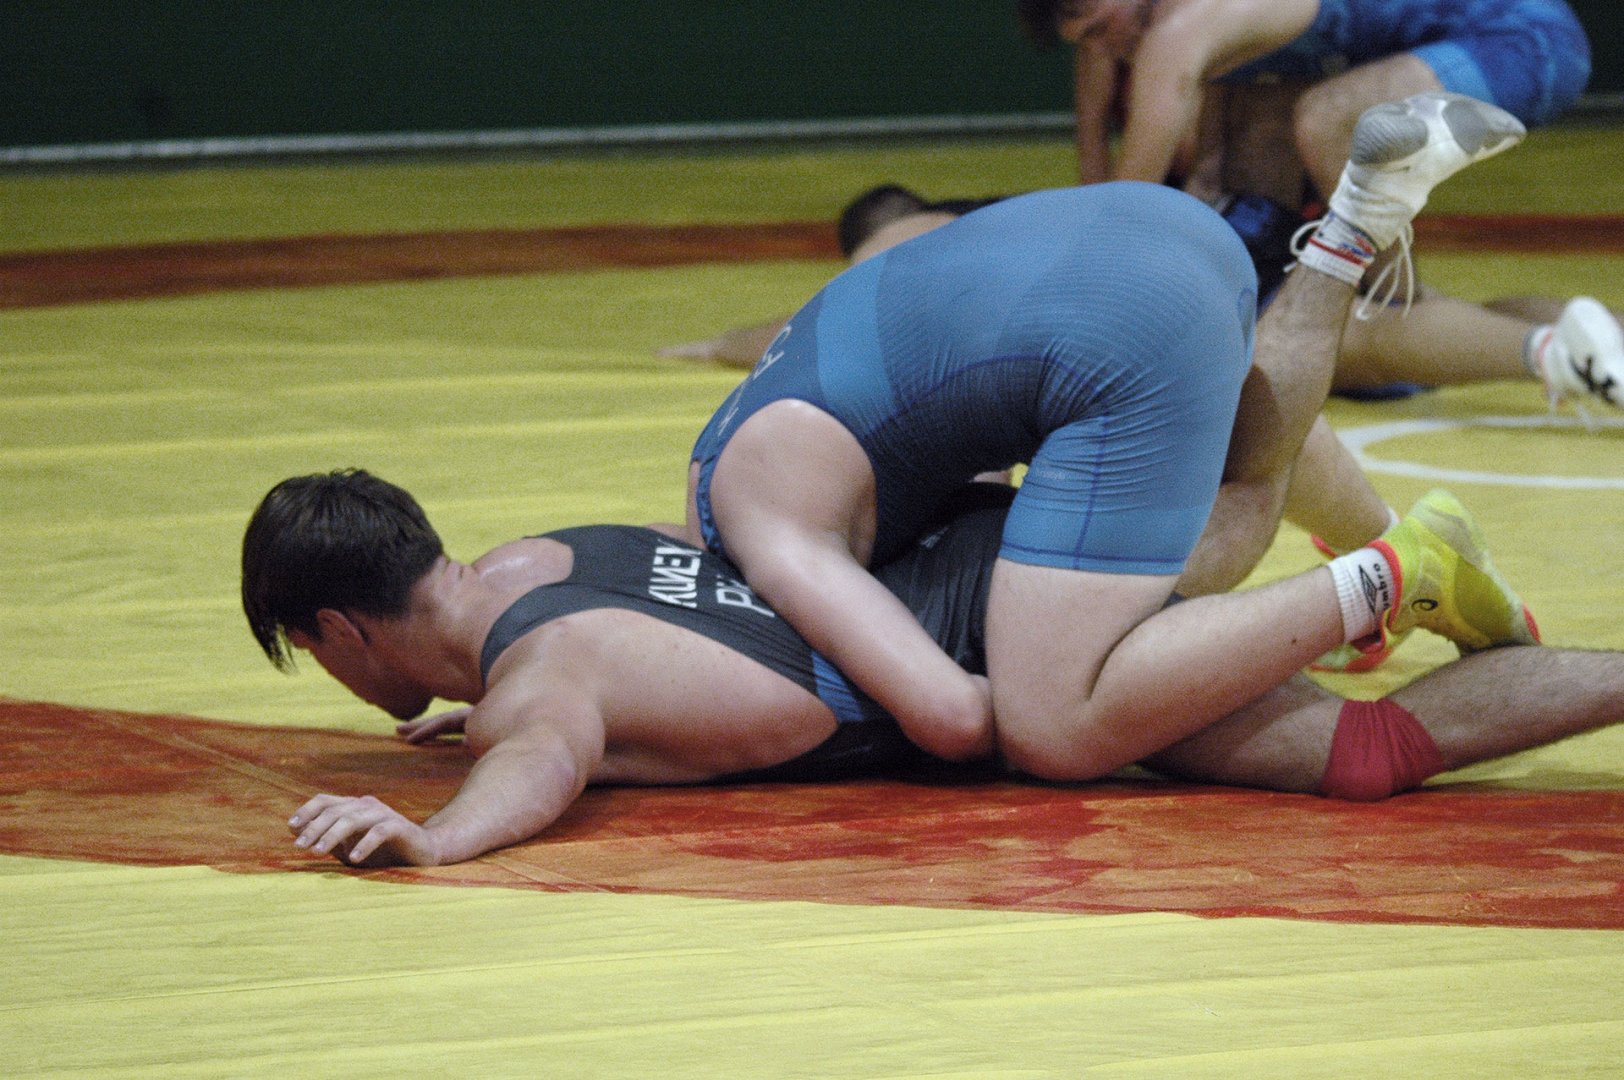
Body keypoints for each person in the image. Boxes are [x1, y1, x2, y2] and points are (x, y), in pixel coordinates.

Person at [682, 92, 1538, 785]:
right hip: (1160, 223)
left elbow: (955, 715)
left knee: (1062, 708)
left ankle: (1394, 572)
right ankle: (1353, 223)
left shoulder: (761, 527)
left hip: (1115, 325)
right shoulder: (778, 408)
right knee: (1181, 441)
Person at [245, 470, 1616, 868]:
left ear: (339, 629)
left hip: (1007, 647)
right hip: (974, 549)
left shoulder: (539, 692)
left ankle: (1383, 571)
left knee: (1357, 756)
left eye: (310, 656)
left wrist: (435, 837)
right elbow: (667, 632)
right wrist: (495, 717)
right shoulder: (542, 554)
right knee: (1227, 547)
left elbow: (545, 755)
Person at [663, 182, 1624, 414]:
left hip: (1169, 277)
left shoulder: (903, 238)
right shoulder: (990, 216)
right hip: (1206, 235)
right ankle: (1579, 335)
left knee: (1347, 342)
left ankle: (1556, 355)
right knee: (1400, 319)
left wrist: (721, 344)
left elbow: (815, 323)